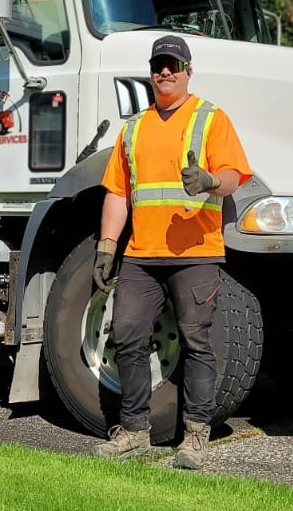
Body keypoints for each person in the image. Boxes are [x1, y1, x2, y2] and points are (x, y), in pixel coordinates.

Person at [92, 35, 252, 469]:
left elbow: (234, 175)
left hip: (196, 251)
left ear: (188, 71)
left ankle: (195, 436)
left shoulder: (210, 118)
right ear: (151, 71)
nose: (166, 72)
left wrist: (208, 181)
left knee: (198, 343)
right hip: (141, 254)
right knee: (126, 336)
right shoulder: (134, 129)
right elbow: (117, 194)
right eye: (159, 65)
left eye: (174, 65)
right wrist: (108, 247)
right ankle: (134, 433)